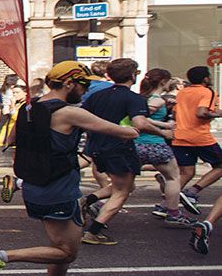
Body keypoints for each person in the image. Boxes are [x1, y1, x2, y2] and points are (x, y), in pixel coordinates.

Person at [0, 60, 140, 276]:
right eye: (83, 85)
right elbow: (120, 132)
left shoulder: (30, 107)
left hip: (36, 184)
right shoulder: (67, 112)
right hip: (59, 188)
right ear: (69, 83)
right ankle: (0, 256)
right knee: (67, 252)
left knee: (60, 246)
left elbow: (10, 140)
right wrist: (139, 127)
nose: (84, 91)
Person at [78, 58, 173, 245]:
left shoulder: (96, 96)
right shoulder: (133, 98)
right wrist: (164, 133)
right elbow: (140, 123)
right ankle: (93, 232)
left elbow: (82, 119)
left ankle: (87, 200)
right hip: (120, 147)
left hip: (97, 146)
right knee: (122, 191)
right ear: (132, 75)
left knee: (124, 186)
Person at [134, 69, 190, 225]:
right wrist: (165, 125)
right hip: (154, 143)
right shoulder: (156, 100)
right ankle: (173, 213)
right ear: (163, 82)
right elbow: (141, 119)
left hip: (136, 144)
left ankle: (97, 202)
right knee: (174, 177)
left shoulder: (143, 98)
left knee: (124, 184)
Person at [175, 65, 222, 202]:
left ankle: (166, 205)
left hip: (180, 136)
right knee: (220, 166)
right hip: (199, 137)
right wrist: (217, 114)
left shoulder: (183, 92)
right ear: (205, 78)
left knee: (187, 172)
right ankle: (192, 191)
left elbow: (174, 112)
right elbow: (201, 113)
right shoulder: (207, 92)